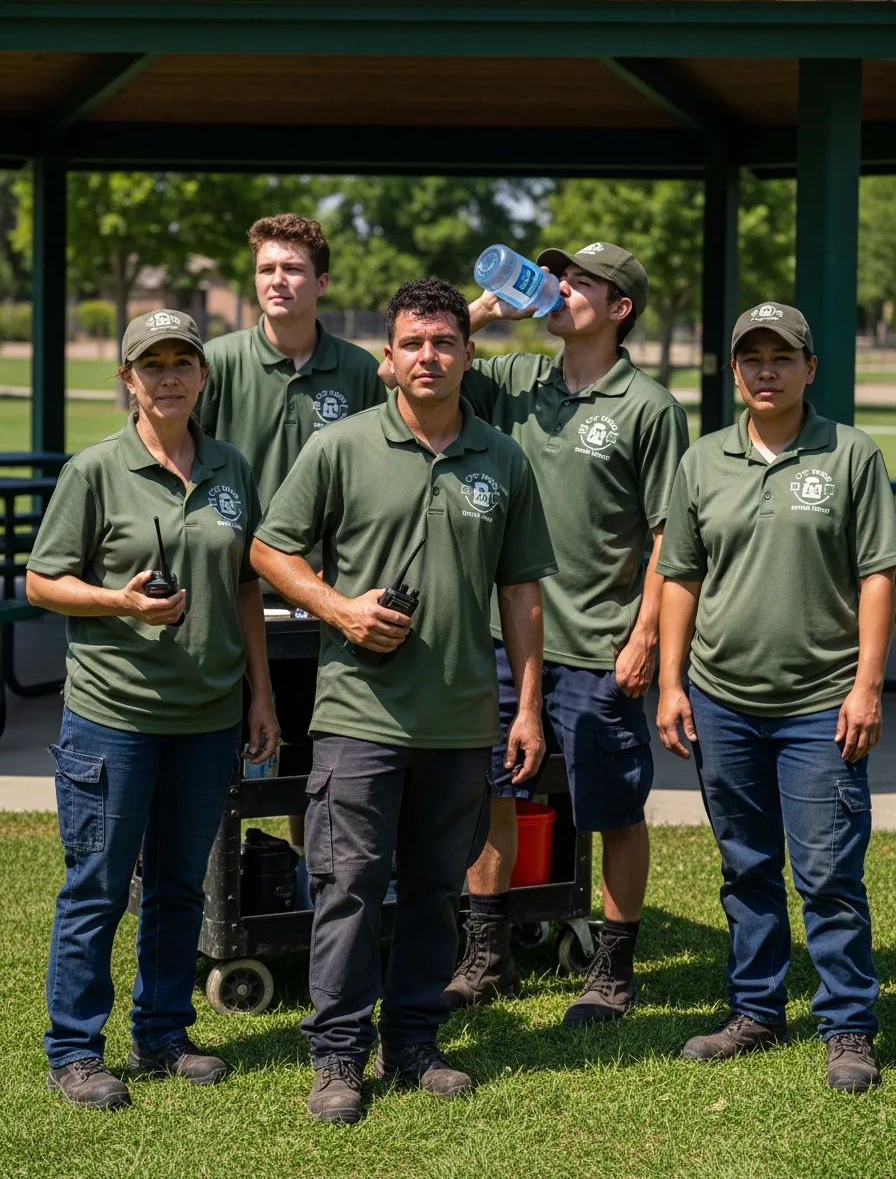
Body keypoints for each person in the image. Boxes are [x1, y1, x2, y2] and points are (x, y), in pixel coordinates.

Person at [251, 277, 556, 1125]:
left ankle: (413, 1040)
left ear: (467, 352)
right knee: (349, 883)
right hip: (359, 717)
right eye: (413, 344)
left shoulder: (503, 457)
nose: (429, 357)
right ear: (389, 359)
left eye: (445, 343)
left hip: (460, 719)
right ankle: (339, 1054)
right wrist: (340, 607)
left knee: (432, 887)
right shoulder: (342, 448)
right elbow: (272, 549)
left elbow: (523, 591)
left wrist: (525, 705)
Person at [26, 310, 279, 1110]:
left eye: (183, 361)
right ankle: (74, 1049)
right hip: (115, 716)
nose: (169, 376)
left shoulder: (232, 468)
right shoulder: (95, 470)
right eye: (152, 363)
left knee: (179, 886)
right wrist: (119, 602)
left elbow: (245, 583)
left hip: (206, 716)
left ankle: (163, 1033)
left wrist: (260, 695)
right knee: (98, 885)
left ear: (204, 375)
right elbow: (41, 580)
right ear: (128, 378)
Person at [434, 242, 688, 1024]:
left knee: (611, 808)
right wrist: (483, 311)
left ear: (620, 310)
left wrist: (644, 636)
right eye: (562, 276)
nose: (563, 289)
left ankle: (611, 968)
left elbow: (669, 537)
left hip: (598, 643)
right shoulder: (512, 378)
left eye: (585, 283)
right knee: (492, 795)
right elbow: (408, 369)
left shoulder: (649, 407)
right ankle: (487, 958)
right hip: (497, 638)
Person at [656, 303, 896, 1095]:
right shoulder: (702, 461)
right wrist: (670, 680)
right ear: (732, 370)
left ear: (810, 368)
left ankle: (849, 1023)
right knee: (746, 864)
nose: (766, 370)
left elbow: (877, 575)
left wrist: (866, 686)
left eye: (782, 357)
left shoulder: (852, 455)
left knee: (828, 871)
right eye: (751, 357)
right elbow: (681, 576)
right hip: (723, 696)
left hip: (821, 702)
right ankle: (756, 1009)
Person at [199, 213, 384, 855]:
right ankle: (216, 889)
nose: (279, 281)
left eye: (294, 269)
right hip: (229, 593)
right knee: (220, 762)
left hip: (320, 596)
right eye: (267, 269)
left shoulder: (359, 371)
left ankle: (309, 881)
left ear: (322, 282)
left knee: (314, 758)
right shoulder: (215, 362)